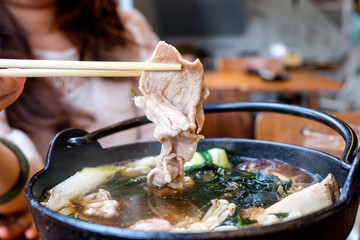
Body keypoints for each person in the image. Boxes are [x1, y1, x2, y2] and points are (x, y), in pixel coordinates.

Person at [0, 0, 158, 239]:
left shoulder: (127, 27)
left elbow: (158, 140)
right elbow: (13, 193)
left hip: (144, 216)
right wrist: (37, 204)